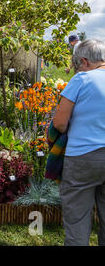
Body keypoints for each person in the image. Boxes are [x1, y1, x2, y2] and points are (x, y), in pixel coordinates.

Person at [52, 39, 105, 246]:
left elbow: (60, 123)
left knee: (77, 222)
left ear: (84, 61)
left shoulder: (82, 79)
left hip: (83, 157)